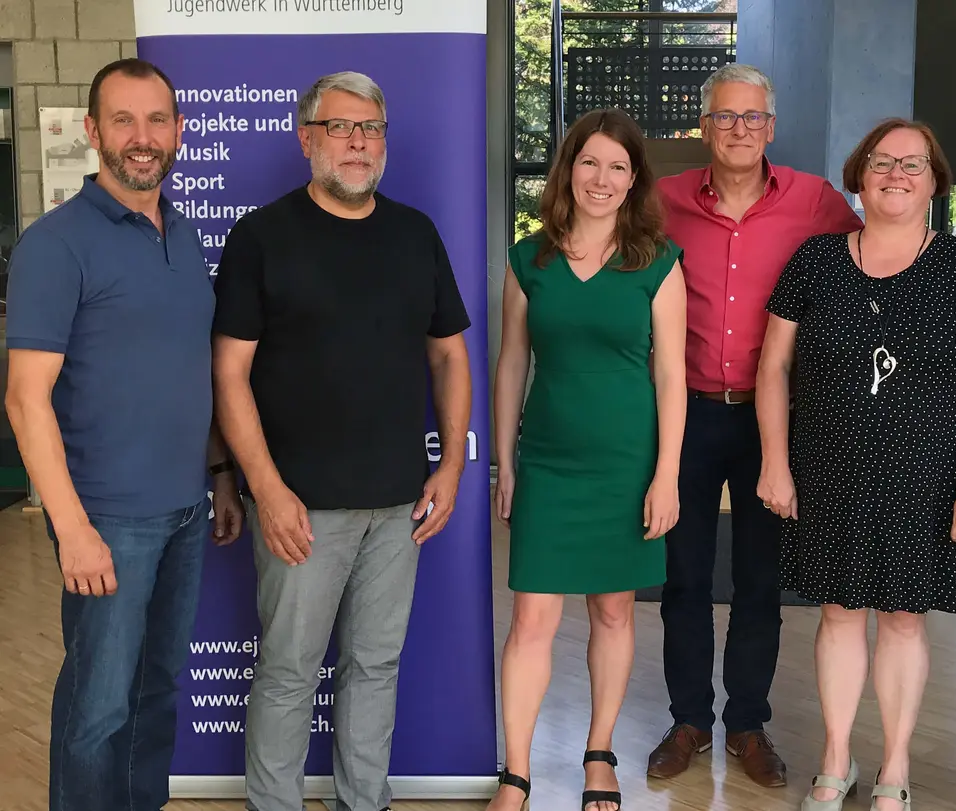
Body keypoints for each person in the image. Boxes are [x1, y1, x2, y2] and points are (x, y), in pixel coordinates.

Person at [210, 71, 473, 811]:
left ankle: (366, 801)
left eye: (371, 129)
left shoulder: (415, 233)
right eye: (341, 127)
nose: (358, 143)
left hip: (397, 504)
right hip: (299, 504)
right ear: (306, 139)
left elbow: (450, 354)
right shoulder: (261, 236)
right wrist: (265, 488)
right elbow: (229, 373)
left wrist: (451, 463)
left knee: (373, 665)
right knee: (291, 672)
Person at [3, 58, 243, 811]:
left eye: (157, 119)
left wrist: (220, 475)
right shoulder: (56, 244)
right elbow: (24, 398)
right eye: (123, 120)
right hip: (106, 517)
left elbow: (189, 371)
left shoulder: (185, 232)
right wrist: (71, 528)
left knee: (154, 693)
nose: (142, 138)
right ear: (92, 130)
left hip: (184, 511)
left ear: (178, 131)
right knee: (97, 709)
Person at [756, 118, 956, 810]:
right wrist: (775, 462)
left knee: (903, 616)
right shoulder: (814, 260)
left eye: (912, 164)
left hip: (926, 475)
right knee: (837, 611)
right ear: (857, 174)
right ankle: (836, 758)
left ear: (935, 182)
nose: (895, 174)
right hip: (827, 467)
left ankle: (895, 766)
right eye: (881, 161)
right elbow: (773, 365)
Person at [647, 62, 863, 788]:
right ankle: (687, 720)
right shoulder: (662, 202)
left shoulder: (816, 202)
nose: (740, 130)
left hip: (778, 423)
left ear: (770, 128)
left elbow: (869, 269)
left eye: (753, 118)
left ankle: (746, 721)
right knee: (682, 575)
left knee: (761, 580)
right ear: (705, 127)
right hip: (685, 414)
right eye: (726, 117)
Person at [489, 108, 687, 811]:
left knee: (612, 613)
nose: (602, 179)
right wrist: (506, 463)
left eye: (618, 167)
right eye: (590, 162)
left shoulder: (658, 261)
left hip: (628, 465)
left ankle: (598, 753)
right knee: (531, 620)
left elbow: (671, 375)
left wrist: (666, 474)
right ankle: (516, 772)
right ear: (568, 168)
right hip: (546, 461)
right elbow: (512, 361)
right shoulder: (528, 257)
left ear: (635, 180)